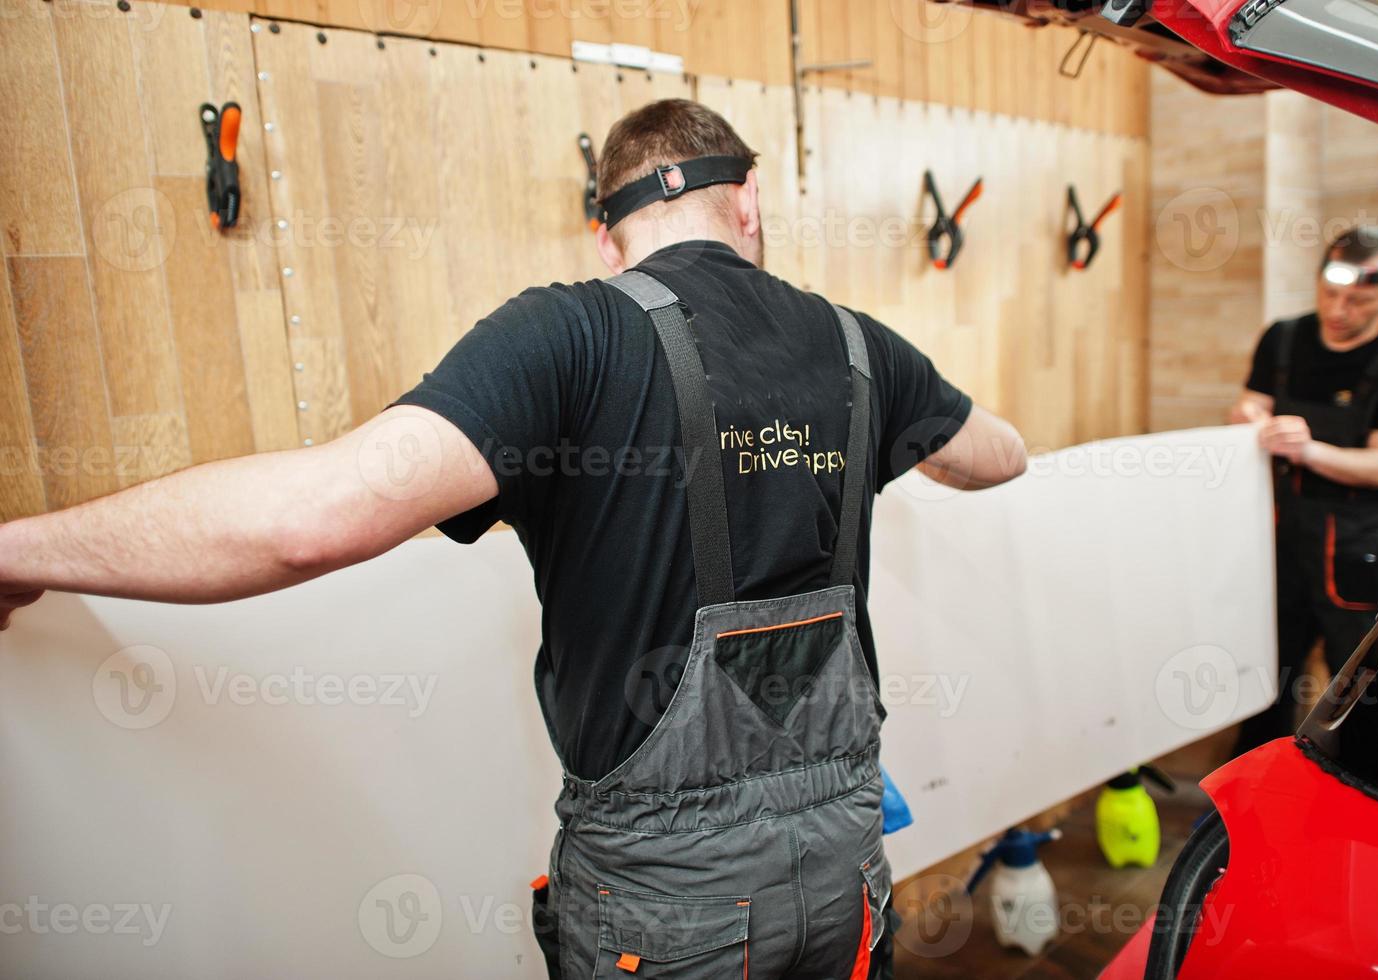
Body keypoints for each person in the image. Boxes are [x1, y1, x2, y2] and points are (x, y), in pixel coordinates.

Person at [0, 99, 1026, 977]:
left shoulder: (571, 336)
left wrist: (22, 545)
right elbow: (997, 455)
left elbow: (309, 522)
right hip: (848, 869)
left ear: (606, 234)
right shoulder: (863, 349)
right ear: (749, 202)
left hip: (670, 910)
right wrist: (883, 433)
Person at [1229, 226, 1378, 755]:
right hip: (1281, 531)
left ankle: (1353, 793)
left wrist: (1306, 449)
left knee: (1360, 684)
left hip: (1358, 544)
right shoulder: (1283, 337)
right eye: (1329, 294)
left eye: (1356, 299)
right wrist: (1250, 417)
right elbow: (1249, 404)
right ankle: (1252, 785)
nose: (1337, 309)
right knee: (1268, 671)